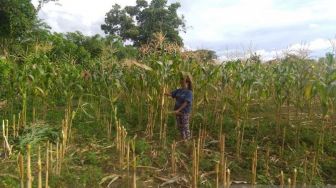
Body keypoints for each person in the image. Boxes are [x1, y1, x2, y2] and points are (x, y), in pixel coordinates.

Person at [165, 75, 193, 140]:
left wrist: (178, 110)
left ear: (187, 83)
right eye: (180, 81)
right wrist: (165, 93)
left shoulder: (189, 92)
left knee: (185, 127)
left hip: (184, 112)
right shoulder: (179, 90)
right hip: (177, 112)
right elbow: (171, 94)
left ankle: (188, 141)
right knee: (180, 127)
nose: (180, 82)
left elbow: (186, 102)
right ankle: (183, 139)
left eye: (182, 81)